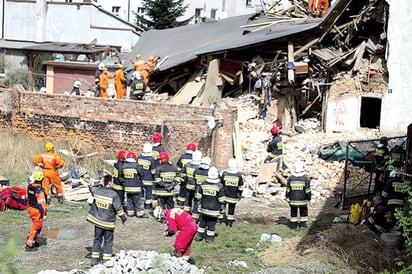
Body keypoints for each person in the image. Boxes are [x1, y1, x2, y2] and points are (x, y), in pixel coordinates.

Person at [86, 174, 127, 266]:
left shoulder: (97, 191)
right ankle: (106, 260)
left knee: (97, 240)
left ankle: (94, 260)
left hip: (97, 222)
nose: (113, 183)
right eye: (112, 181)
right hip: (108, 224)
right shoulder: (114, 195)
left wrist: (99, 183)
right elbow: (119, 210)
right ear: (109, 183)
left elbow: (90, 187)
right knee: (108, 241)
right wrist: (123, 218)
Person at [194, 167, 225, 243]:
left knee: (202, 223)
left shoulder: (203, 184)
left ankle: (199, 236)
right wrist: (222, 206)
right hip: (214, 210)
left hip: (204, 209)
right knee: (212, 224)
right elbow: (222, 199)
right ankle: (209, 238)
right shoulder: (219, 186)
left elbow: (198, 196)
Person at [25, 171, 48, 252]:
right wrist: (44, 213)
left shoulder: (30, 187)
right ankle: (30, 245)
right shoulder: (39, 190)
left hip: (31, 208)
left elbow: (27, 198)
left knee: (37, 226)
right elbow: (41, 203)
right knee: (36, 227)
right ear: (42, 179)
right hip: (37, 210)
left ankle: (33, 241)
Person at [285, 161, 311, 229]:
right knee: (303, 213)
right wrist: (309, 198)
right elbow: (307, 191)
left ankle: (293, 226)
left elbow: (288, 190)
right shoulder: (305, 179)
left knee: (293, 213)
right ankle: (303, 226)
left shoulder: (290, 178)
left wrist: (287, 197)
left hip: (293, 201)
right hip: (303, 201)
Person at [121, 151, 146, 217]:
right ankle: (139, 213)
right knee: (137, 200)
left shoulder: (123, 166)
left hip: (127, 187)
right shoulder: (137, 166)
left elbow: (121, 176)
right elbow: (142, 174)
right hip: (136, 187)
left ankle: (130, 212)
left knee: (129, 200)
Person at [220, 158, 244, 227]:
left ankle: (219, 220)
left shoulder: (225, 174)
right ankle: (229, 223)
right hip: (233, 197)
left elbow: (221, 184)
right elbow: (240, 187)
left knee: (222, 207)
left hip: (224, 195)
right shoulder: (238, 176)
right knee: (231, 209)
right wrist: (240, 194)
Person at [137, 143, 156, 210]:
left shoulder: (139, 158)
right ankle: (147, 206)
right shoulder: (151, 159)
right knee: (148, 192)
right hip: (148, 179)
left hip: (140, 179)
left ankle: (139, 205)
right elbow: (153, 171)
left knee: (140, 192)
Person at [191, 156, 211, 221]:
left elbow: (194, 178)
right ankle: (203, 218)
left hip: (197, 191)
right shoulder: (209, 172)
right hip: (206, 192)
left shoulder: (196, 171)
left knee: (196, 204)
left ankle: (194, 218)